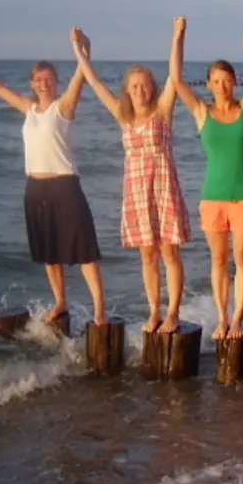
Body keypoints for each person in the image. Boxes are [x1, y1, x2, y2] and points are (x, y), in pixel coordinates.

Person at [0, 37, 107, 325]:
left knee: (85, 249)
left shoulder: (63, 107)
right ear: (32, 84)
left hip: (65, 186)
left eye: (48, 78)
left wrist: (84, 51)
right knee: (50, 252)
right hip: (36, 189)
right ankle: (61, 301)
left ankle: (99, 308)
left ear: (56, 82)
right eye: (38, 79)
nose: (43, 83)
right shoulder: (28, 108)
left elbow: (81, 78)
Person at [70, 24, 191, 333]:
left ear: (152, 87)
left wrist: (177, 36)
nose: (140, 90)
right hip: (136, 192)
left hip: (163, 188)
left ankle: (173, 313)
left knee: (169, 252)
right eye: (134, 86)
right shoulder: (123, 115)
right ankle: (154, 312)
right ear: (127, 89)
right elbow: (94, 82)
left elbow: (174, 76)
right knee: (147, 255)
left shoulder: (163, 110)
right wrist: (80, 51)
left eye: (145, 84)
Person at [171, 17, 243, 340]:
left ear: (234, 82)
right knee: (219, 260)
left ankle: (238, 319)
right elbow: (175, 78)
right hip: (212, 197)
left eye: (227, 80)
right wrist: (179, 35)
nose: (222, 86)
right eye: (216, 81)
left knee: (241, 258)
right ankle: (222, 318)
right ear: (208, 84)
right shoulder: (201, 112)